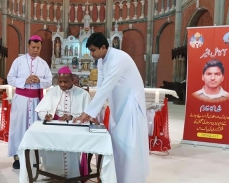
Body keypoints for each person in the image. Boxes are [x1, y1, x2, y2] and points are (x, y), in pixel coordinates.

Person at [74, 32, 149, 183]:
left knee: (129, 146)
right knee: (118, 144)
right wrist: (92, 113)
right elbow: (101, 86)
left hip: (130, 107)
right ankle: (118, 178)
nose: (91, 54)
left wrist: (87, 112)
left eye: (93, 50)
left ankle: (131, 179)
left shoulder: (118, 58)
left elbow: (106, 87)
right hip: (118, 106)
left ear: (103, 47)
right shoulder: (102, 61)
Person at [34, 66, 91, 178]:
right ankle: (51, 174)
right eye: (60, 82)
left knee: (72, 148)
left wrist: (72, 116)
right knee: (49, 145)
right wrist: (46, 115)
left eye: (66, 82)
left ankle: (72, 175)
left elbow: (88, 114)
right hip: (54, 127)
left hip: (73, 129)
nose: (63, 84)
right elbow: (41, 109)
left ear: (73, 80)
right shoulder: (52, 92)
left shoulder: (83, 94)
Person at [7, 35, 52, 169]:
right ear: (28, 46)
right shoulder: (19, 61)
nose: (35, 50)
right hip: (21, 100)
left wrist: (39, 81)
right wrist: (24, 81)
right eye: (33, 47)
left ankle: (34, 157)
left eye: (38, 48)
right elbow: (10, 78)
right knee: (19, 128)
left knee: (34, 128)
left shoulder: (43, 63)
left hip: (37, 101)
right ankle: (18, 157)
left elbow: (49, 81)